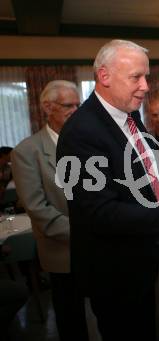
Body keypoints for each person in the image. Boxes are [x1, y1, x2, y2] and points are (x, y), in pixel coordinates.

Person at [56, 39, 159, 341]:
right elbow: (98, 213)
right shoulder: (81, 132)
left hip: (141, 264)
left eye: (147, 77)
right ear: (104, 77)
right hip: (115, 275)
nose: (145, 86)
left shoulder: (128, 118)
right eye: (136, 78)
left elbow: (141, 166)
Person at [10, 80, 89, 341]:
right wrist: (87, 232)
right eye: (69, 105)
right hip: (63, 253)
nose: (76, 111)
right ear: (47, 107)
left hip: (99, 249)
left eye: (79, 105)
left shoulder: (87, 144)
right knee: (72, 321)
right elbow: (38, 209)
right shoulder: (26, 151)